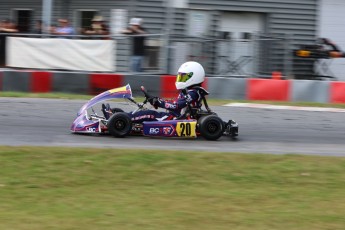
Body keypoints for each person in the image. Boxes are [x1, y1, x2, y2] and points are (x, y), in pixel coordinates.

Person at [104, 61, 208, 122]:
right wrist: (156, 100)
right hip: (174, 116)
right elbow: (175, 103)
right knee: (145, 112)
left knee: (150, 114)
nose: (181, 79)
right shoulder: (189, 91)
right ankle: (119, 116)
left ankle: (121, 120)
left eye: (184, 76)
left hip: (176, 119)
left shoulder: (194, 93)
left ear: (194, 77)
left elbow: (177, 105)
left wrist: (158, 101)